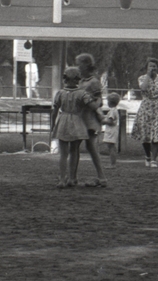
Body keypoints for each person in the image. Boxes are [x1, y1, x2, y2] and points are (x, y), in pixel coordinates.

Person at [71, 52, 107, 187]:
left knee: (91, 147)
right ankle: (72, 177)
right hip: (79, 117)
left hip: (89, 119)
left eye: (79, 64)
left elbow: (100, 101)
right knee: (74, 146)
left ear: (86, 64)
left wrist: (91, 104)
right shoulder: (79, 81)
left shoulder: (94, 82)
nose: (77, 67)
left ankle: (102, 176)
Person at [50, 67, 91, 187]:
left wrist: (53, 125)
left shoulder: (60, 93)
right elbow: (89, 106)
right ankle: (72, 178)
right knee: (74, 151)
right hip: (77, 121)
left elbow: (54, 111)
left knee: (63, 153)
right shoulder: (82, 93)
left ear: (65, 79)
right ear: (78, 79)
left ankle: (62, 179)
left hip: (63, 121)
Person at [135, 57, 158, 168]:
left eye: (154, 66)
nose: (152, 68)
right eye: (150, 66)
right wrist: (148, 76)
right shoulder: (142, 78)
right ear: (147, 67)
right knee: (145, 135)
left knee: (157, 133)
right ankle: (147, 156)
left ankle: (154, 159)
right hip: (146, 107)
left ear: (157, 67)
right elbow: (143, 88)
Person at [99, 92, 122, 167]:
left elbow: (110, 121)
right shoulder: (114, 110)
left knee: (111, 147)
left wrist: (102, 121)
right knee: (111, 146)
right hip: (113, 130)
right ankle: (113, 163)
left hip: (111, 131)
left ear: (109, 102)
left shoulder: (112, 111)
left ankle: (113, 164)